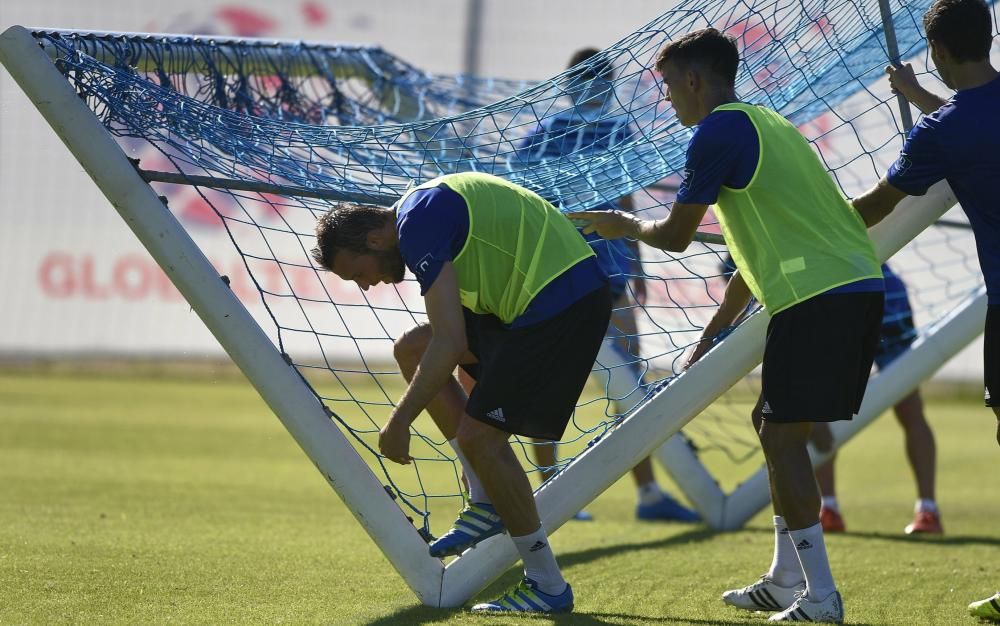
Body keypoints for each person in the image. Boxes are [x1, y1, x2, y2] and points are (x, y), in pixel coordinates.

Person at [574, 27, 885, 623]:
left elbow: (674, 236)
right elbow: (756, 243)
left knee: (782, 435)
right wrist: (715, 329)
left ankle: (819, 597)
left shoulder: (718, 131)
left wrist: (622, 224)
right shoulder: (765, 123)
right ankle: (785, 577)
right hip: (837, 288)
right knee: (772, 427)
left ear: (694, 79)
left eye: (668, 86)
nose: (668, 100)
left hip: (822, 294)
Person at [312, 171, 611, 614]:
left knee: (481, 439)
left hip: (562, 305)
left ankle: (547, 586)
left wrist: (398, 422)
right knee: (412, 349)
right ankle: (486, 502)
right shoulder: (422, 213)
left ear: (376, 239)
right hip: (531, 309)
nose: (366, 285)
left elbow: (451, 342)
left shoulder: (419, 222)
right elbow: (447, 341)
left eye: (359, 274)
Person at [846, 0, 999, 618]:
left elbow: (875, 208)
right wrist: (925, 95)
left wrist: (802, 220)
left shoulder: (941, 133)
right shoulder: (955, 125)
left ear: (937, 51)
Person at [517, 46, 699, 523]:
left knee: (630, 378)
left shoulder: (615, 130)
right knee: (554, 380)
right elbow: (530, 203)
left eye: (602, 79)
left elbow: (623, 199)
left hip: (609, 270)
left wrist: (636, 260)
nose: (595, 88)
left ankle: (647, 494)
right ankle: (552, 491)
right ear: (572, 83)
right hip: (563, 272)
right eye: (589, 79)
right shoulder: (545, 136)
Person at [813, 265, 941, 535]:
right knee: (819, 405)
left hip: (874, 291)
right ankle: (828, 508)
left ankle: (928, 510)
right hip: (833, 287)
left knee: (908, 406)